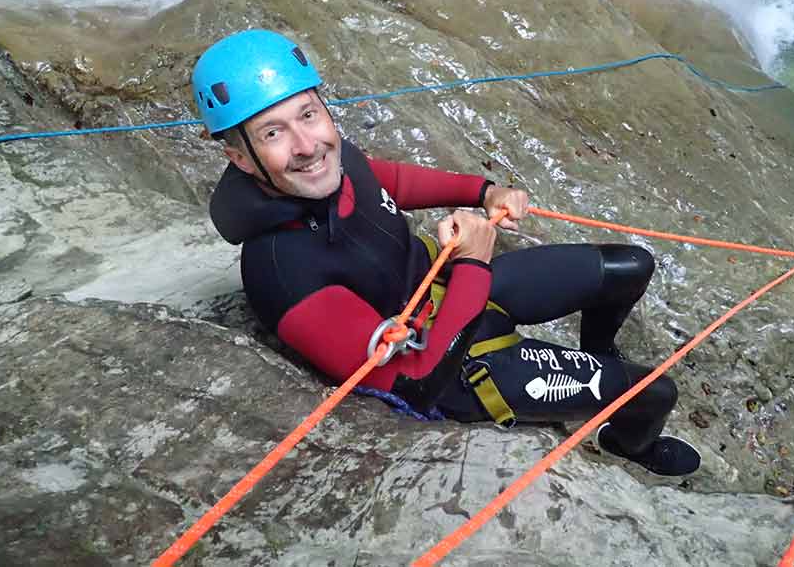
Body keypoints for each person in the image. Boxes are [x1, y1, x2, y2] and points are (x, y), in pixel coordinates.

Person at [195, 29, 700, 477]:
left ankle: (599, 356)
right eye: (273, 133)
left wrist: (482, 191)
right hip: (452, 368)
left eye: (308, 114)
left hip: (451, 291)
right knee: (654, 392)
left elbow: (386, 180)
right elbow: (415, 386)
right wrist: (474, 266)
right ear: (238, 156)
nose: (307, 145)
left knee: (631, 267)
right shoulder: (283, 274)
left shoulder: (337, 158)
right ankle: (623, 442)